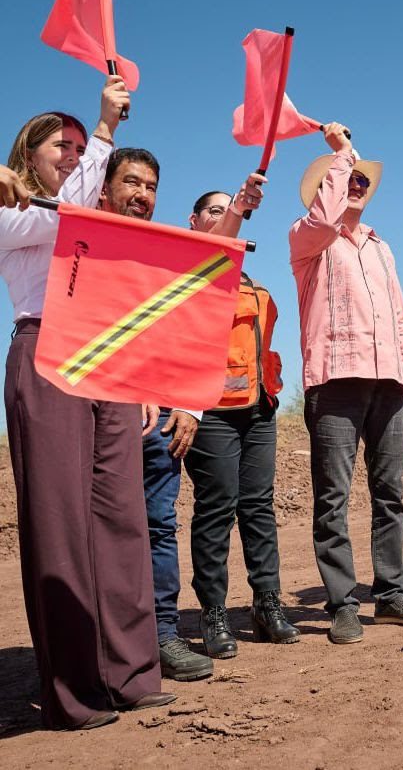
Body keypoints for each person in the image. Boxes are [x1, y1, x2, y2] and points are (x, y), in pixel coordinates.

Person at [0, 77, 175, 730]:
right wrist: (103, 130)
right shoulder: (14, 212)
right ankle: (74, 690)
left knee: (122, 520)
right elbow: (63, 210)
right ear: (30, 156)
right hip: (46, 355)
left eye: (80, 147)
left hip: (106, 364)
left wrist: (139, 378)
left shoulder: (88, 210)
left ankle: (131, 674)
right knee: (61, 527)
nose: (74, 156)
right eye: (61, 146)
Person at [289, 122, 403, 644]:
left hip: (389, 384)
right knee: (332, 496)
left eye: (361, 181)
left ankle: (392, 596)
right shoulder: (307, 239)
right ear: (326, 188)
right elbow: (324, 214)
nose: (357, 186)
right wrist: (342, 154)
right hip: (334, 380)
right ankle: (341, 603)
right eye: (347, 179)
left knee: (389, 493)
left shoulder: (381, 246)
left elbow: (399, 317)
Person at [97, 148, 213, 682]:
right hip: (95, 413)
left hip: (159, 419)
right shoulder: (80, 248)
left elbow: (189, 333)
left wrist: (188, 403)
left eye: (150, 186)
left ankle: (163, 634)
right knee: (100, 529)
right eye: (131, 183)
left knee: (159, 526)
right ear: (105, 188)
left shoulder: (168, 255)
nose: (142, 195)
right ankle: (106, 644)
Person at [184, 178, 300, 657]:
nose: (221, 216)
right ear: (194, 223)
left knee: (258, 509)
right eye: (212, 210)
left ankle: (266, 604)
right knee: (216, 509)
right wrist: (239, 207)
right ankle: (213, 613)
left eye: (225, 210)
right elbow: (216, 250)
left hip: (257, 412)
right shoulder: (192, 274)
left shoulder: (255, 288)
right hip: (209, 414)